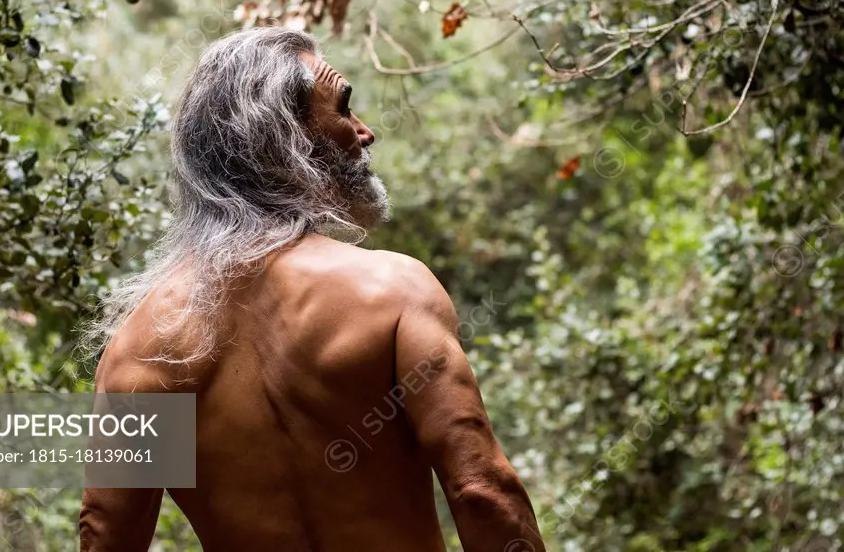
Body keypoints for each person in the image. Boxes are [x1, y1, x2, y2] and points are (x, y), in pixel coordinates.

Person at [78, 27, 545, 552]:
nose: (365, 132)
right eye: (344, 108)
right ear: (287, 135)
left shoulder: (142, 347)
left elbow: (107, 536)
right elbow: (483, 493)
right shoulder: (391, 290)